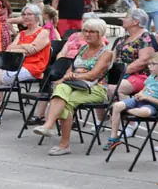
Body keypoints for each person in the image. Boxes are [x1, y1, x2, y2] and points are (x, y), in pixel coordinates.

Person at [32, 19, 115, 156]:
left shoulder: (106, 53)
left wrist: (73, 76)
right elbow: (70, 69)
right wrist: (65, 77)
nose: (87, 34)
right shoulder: (83, 49)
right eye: (85, 31)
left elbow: (93, 75)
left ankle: (64, 144)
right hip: (76, 85)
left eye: (92, 32)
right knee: (61, 88)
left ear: (101, 34)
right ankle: (48, 125)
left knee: (66, 102)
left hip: (96, 88)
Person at [0, 4, 52, 120]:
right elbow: (9, 49)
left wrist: (19, 47)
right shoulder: (21, 34)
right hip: (16, 65)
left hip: (33, 67)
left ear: (37, 16)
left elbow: (32, 50)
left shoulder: (43, 32)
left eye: (29, 14)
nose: (25, 17)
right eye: (24, 14)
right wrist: (25, 47)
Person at [103, 51, 158, 151]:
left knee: (144, 112)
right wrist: (140, 94)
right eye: (149, 64)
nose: (149, 66)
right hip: (140, 101)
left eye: (153, 64)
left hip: (152, 105)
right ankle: (113, 137)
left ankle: (126, 110)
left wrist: (147, 98)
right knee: (117, 106)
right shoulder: (152, 77)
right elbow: (144, 89)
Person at [111, 9, 158, 96]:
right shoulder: (123, 38)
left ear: (136, 21)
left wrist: (120, 73)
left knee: (113, 88)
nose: (123, 19)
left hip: (140, 76)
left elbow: (143, 61)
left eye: (126, 17)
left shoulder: (145, 37)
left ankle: (124, 104)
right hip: (119, 74)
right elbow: (111, 58)